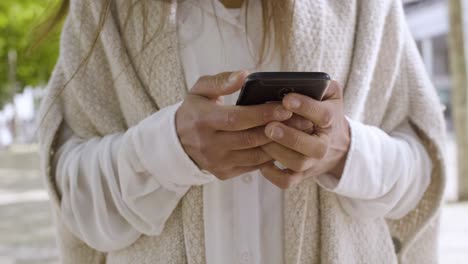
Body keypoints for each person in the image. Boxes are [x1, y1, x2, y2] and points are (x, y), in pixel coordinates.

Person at [38, 0, 446, 263]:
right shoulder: (103, 13)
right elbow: (77, 204)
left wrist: (343, 151)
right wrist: (169, 150)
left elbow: (420, 181)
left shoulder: (364, 8)